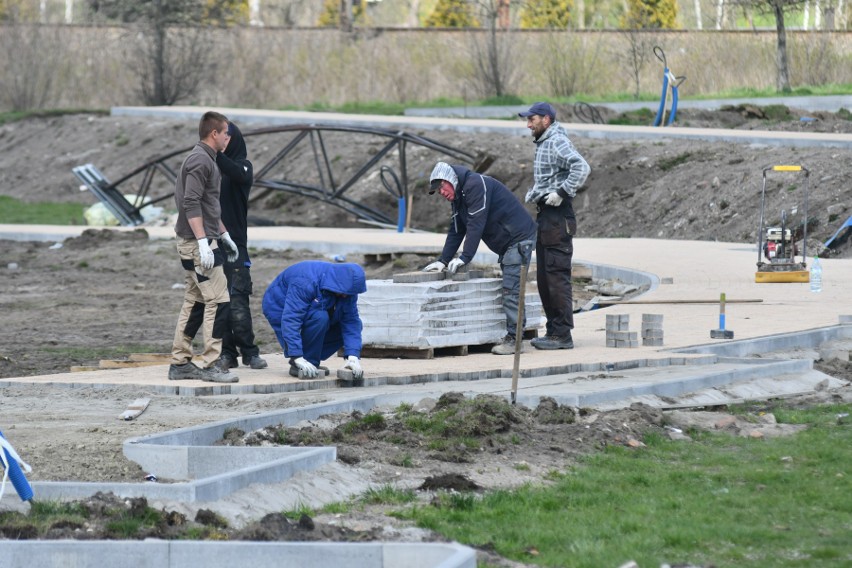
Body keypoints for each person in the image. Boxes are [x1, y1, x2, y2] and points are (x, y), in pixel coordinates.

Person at [422, 162, 537, 355]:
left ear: (450, 180)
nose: (441, 192)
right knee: (512, 288)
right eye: (437, 190)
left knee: (511, 290)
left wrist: (465, 257)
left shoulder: (476, 185)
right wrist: (443, 260)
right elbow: (456, 230)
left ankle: (514, 341)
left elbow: (476, 223)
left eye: (441, 186)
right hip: (508, 243)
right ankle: (515, 336)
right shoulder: (459, 197)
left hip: (518, 238)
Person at [167, 111, 240, 383]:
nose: (228, 137)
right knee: (218, 300)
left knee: (196, 301)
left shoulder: (207, 159)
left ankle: (180, 363)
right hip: (197, 243)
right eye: (225, 133)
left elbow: (208, 206)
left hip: (201, 239)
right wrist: (202, 243)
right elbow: (191, 203)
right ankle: (210, 365)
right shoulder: (200, 160)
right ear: (214, 134)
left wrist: (224, 234)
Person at [518, 102, 591, 350]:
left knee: (556, 276)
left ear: (546, 120)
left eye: (532, 120)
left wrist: (562, 191)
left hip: (558, 216)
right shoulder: (544, 141)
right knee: (544, 278)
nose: (529, 125)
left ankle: (562, 335)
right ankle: (553, 332)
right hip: (546, 216)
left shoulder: (556, 140)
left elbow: (582, 167)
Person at [215, 122, 267, 371]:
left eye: (224, 136)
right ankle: (227, 353)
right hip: (211, 244)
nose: (221, 141)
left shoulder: (243, 165)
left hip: (235, 245)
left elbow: (237, 173)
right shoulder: (209, 169)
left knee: (238, 300)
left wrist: (211, 150)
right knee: (218, 302)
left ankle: (249, 351)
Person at [262, 261, 366, 380]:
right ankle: (302, 362)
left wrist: (353, 356)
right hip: (279, 305)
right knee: (320, 318)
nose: (346, 297)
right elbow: (291, 319)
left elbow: (351, 321)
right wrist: (297, 356)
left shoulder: (347, 290)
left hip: (313, 306)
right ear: (337, 283)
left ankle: (310, 360)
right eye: (344, 293)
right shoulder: (305, 281)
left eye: (350, 294)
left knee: (353, 325)